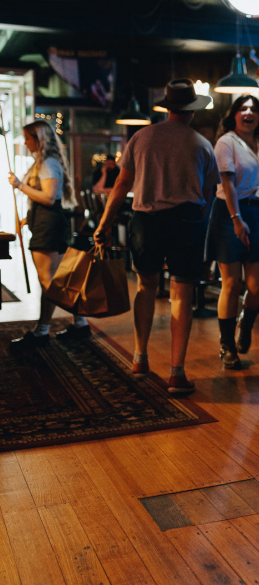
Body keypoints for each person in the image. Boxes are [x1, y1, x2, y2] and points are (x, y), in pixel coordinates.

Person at [94, 78, 220, 395]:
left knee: (145, 286)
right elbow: (208, 196)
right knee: (181, 294)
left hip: (145, 221)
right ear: (192, 109)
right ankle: (177, 373)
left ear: (167, 107)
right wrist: (199, 228)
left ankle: (139, 357)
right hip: (186, 221)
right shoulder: (202, 144)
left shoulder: (142, 137)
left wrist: (104, 224)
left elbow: (121, 185)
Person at [206, 94, 259, 369]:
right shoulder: (226, 142)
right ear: (234, 114)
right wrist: (237, 218)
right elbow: (228, 182)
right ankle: (226, 345)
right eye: (243, 109)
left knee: (257, 287)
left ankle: (245, 325)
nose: (249, 113)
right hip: (229, 213)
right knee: (232, 283)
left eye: (254, 109)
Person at [6, 120, 92, 348]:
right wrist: (27, 219)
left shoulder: (48, 163)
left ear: (39, 140)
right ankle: (57, 327)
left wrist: (19, 185)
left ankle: (65, 325)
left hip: (49, 226)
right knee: (51, 280)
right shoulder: (45, 162)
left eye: (28, 138)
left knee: (50, 282)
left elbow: (49, 197)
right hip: (47, 224)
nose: (25, 142)